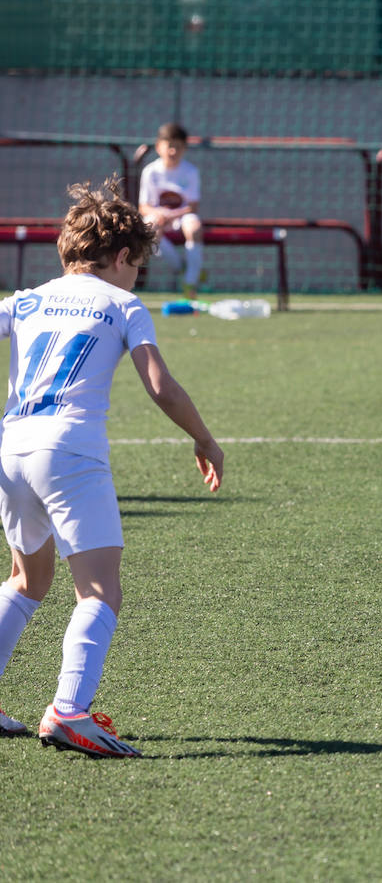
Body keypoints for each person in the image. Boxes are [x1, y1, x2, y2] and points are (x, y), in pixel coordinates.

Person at [0, 179, 224, 756]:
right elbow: (161, 387)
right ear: (122, 257)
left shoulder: (24, 299)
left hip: (12, 449)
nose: (136, 277)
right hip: (70, 452)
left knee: (29, 580)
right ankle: (70, 713)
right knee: (98, 591)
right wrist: (203, 437)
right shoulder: (123, 303)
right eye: (138, 266)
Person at [138, 122, 206, 300]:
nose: (173, 152)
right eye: (170, 146)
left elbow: (192, 206)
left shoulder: (190, 171)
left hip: (182, 217)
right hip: (157, 217)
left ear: (185, 148)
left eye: (179, 147)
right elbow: (144, 206)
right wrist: (160, 214)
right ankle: (181, 267)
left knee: (195, 228)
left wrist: (171, 215)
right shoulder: (150, 171)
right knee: (149, 228)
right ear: (159, 147)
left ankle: (190, 283)